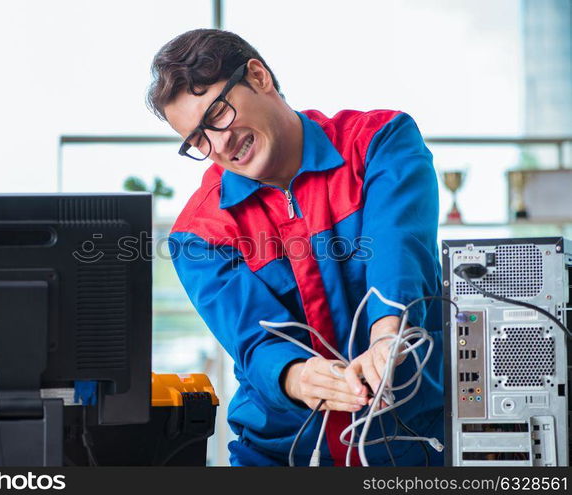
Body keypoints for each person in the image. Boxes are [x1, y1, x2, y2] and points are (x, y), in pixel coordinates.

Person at [147, 29, 443, 466]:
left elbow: (398, 256)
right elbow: (253, 339)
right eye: (199, 140)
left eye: (219, 114)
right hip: (283, 452)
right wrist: (298, 377)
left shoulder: (379, 143)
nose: (221, 145)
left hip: (413, 442)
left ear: (258, 76)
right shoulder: (198, 233)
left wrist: (386, 340)